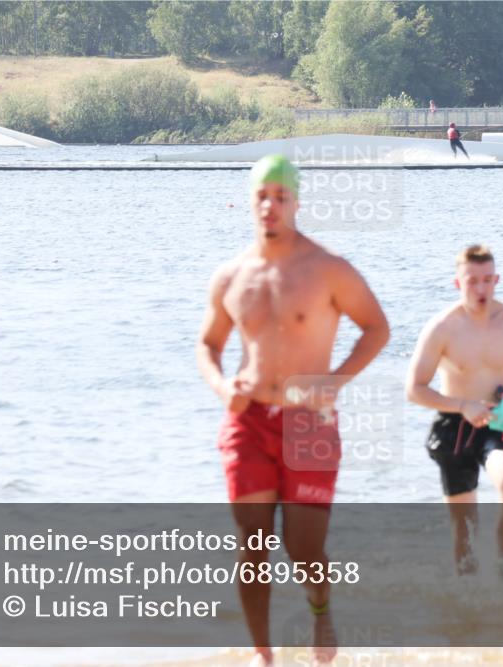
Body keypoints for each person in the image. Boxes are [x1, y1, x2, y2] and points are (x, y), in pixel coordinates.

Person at [197, 154, 390, 666]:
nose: (270, 206)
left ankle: (320, 608)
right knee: (252, 543)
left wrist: (333, 382)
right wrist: (222, 386)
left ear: (297, 203)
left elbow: (377, 329)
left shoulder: (328, 269)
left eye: (281, 197)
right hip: (248, 421)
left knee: (303, 548)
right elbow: (208, 344)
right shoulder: (231, 276)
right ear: (250, 201)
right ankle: (264, 655)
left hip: (309, 425)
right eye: (262, 196)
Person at [405, 245, 503, 575]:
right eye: (472, 281)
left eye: (488, 280)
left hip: (499, 417)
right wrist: (463, 405)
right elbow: (414, 389)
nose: (481, 289)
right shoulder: (442, 327)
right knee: (464, 535)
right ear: (458, 283)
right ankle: (469, 594)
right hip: (454, 423)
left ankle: (501, 566)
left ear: (496, 280)